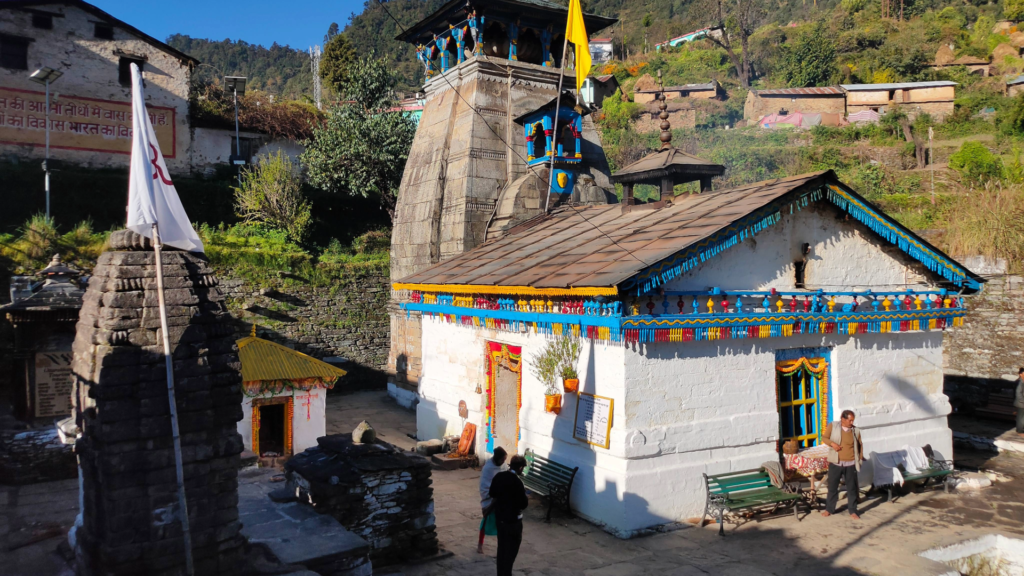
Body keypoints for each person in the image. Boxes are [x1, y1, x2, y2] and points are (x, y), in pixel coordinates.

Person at [489, 454, 528, 576]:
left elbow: (492, 493)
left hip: (500, 519)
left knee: (501, 548)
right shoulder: (518, 482)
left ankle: (501, 573)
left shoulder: (499, 476)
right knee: (511, 550)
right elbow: (523, 504)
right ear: (520, 468)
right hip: (513, 522)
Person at [821, 409, 864, 520]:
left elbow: (860, 445)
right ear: (843, 419)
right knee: (833, 487)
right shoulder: (833, 426)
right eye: (850, 420)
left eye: (853, 420)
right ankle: (829, 509)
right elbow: (824, 438)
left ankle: (853, 511)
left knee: (852, 488)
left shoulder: (855, 431)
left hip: (850, 463)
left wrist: (859, 459)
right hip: (836, 462)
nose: (851, 423)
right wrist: (833, 444)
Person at [478, 447, 508, 554]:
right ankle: (480, 544)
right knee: (485, 521)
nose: (503, 462)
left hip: (501, 498)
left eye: (505, 460)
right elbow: (484, 486)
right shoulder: (488, 468)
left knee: (502, 523)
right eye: (502, 460)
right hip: (489, 499)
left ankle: (501, 546)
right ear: (496, 458)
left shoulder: (503, 466)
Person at [1015, 367, 1024, 436]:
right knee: (1021, 418)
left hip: (1021, 403)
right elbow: (1018, 393)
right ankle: (1020, 431)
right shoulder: (1020, 382)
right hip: (1021, 404)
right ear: (1020, 374)